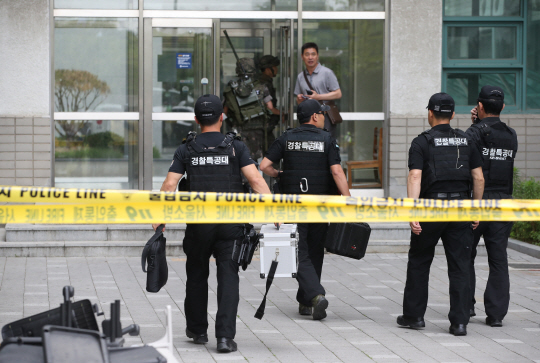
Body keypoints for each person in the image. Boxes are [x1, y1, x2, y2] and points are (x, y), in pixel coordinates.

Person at [152, 94, 271, 353]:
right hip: (231, 223)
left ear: (196, 119)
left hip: (199, 224)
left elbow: (170, 185)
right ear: (222, 117)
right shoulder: (235, 147)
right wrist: (275, 212)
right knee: (228, 277)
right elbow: (256, 181)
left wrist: (159, 216)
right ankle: (225, 338)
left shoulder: (187, 148)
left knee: (196, 275)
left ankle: (197, 330)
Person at [397, 93, 485, 336]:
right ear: (453, 114)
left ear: (430, 113)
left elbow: (415, 176)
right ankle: (459, 323)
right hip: (460, 210)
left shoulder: (421, 142)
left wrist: (412, 211)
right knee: (460, 266)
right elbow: (478, 177)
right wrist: (474, 208)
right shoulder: (467, 141)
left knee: (419, 261)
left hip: (430, 209)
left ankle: (414, 317)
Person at [260, 99, 350, 320]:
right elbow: (337, 172)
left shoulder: (286, 138)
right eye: (322, 113)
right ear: (315, 116)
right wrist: (348, 200)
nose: (324, 117)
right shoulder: (327, 139)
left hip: (293, 206)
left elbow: (264, 166)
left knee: (299, 252)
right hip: (320, 206)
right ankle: (315, 296)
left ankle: (306, 300)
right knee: (314, 250)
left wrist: (280, 175)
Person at [467, 85, 517, 327]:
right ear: (503, 107)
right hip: (503, 203)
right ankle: (496, 315)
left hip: (477, 202)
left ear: (480, 106)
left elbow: (470, 164)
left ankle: (466, 306)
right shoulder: (511, 134)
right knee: (498, 259)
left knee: (465, 254)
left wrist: (475, 124)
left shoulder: (474, 133)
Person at [223, 58, 278, 161]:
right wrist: (284, 113)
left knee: (240, 158)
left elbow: (224, 112)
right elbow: (270, 108)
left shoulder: (231, 89)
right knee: (255, 158)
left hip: (239, 129)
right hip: (258, 130)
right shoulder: (261, 87)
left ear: (237, 70)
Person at [294, 42, 342, 137]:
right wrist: (299, 100)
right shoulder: (300, 76)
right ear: (302, 56)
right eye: (307, 54)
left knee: (326, 143)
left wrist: (318, 96)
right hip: (308, 117)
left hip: (325, 114)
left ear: (317, 56)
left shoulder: (327, 73)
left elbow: (338, 94)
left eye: (313, 54)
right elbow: (298, 100)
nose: (310, 57)